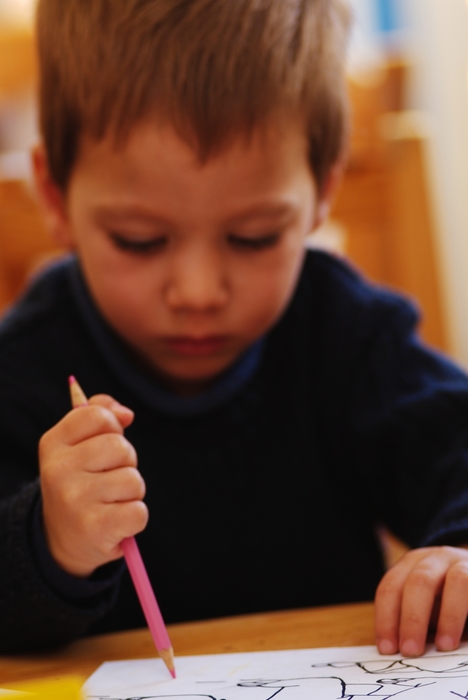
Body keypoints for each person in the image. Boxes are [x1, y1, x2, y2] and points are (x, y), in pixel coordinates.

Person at [1, 0, 468, 659]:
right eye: (139, 240)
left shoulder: (344, 333)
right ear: (53, 196)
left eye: (254, 238)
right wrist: (49, 544)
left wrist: (457, 554)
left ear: (323, 188)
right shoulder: (22, 372)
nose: (198, 293)